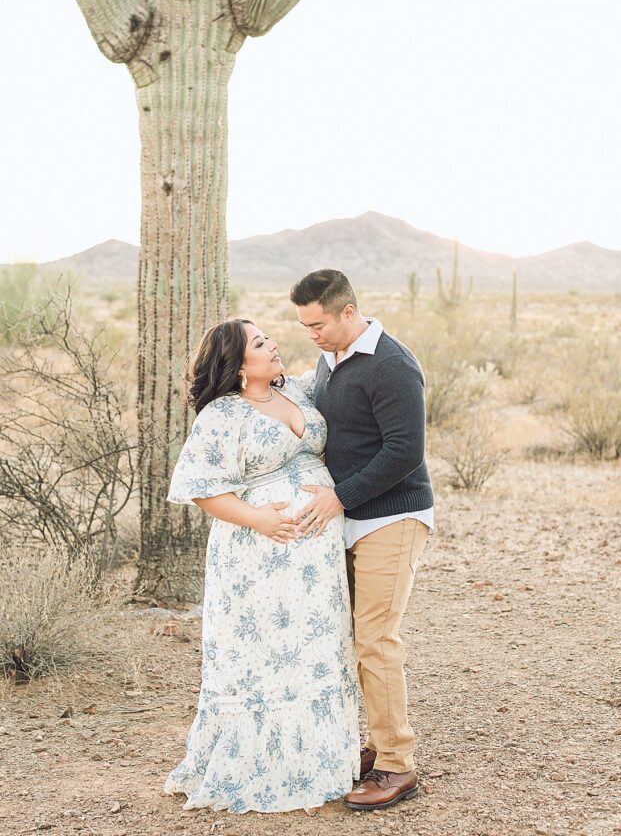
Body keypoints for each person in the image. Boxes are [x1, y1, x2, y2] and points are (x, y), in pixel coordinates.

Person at [163, 319, 360, 815]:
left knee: (316, 644)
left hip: (317, 552)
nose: (272, 345)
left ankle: (326, 757)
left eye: (269, 337)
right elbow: (201, 487)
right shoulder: (223, 415)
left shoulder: (296, 388)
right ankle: (266, 764)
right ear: (236, 364)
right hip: (258, 553)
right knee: (268, 650)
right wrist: (259, 520)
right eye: (258, 343)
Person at [290, 269, 434, 812]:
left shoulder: (393, 365)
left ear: (348, 312)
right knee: (352, 637)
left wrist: (340, 497)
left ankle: (398, 764)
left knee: (375, 638)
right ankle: (377, 742)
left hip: (391, 518)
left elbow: (404, 452)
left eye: (318, 324)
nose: (313, 335)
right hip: (350, 518)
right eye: (304, 326)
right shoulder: (331, 361)